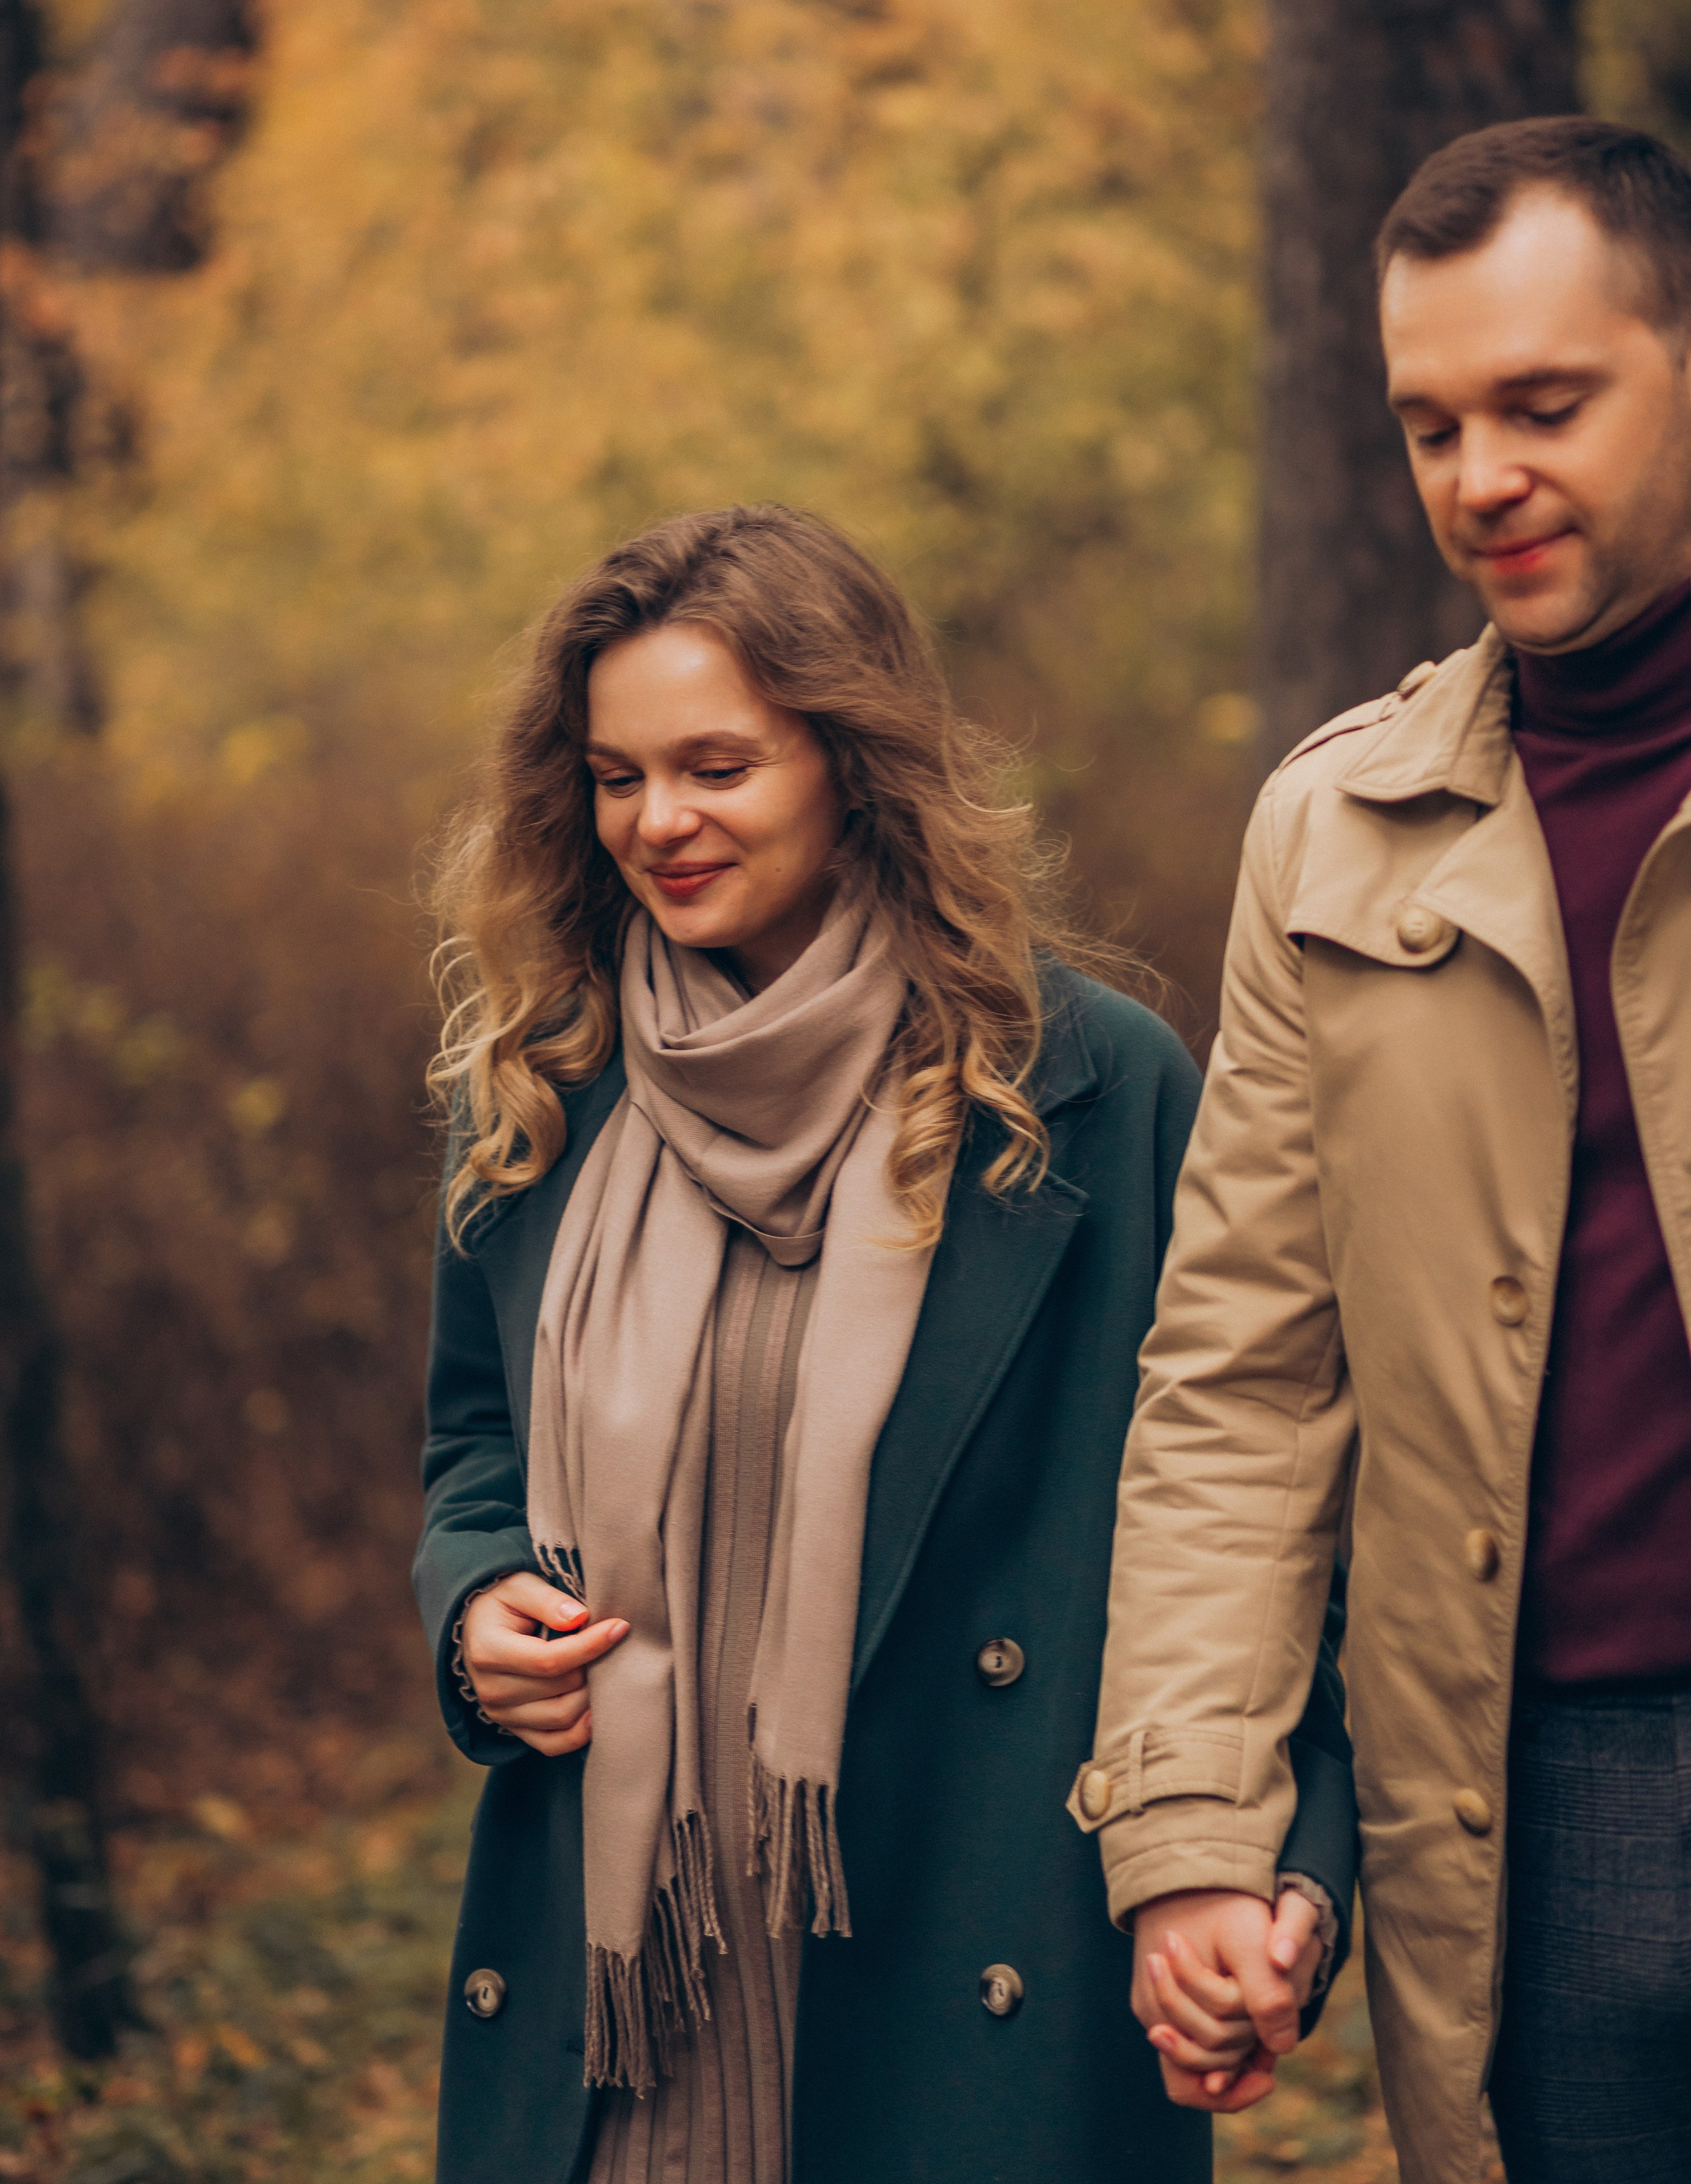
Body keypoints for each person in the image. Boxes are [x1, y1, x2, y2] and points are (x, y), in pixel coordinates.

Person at [413, 503, 1357, 2184]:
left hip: (962, 1959)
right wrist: (478, 1607)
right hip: (621, 2008)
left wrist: (1285, 1868)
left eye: (715, 763)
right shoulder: (541, 1090)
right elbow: (474, 1446)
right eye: (617, 775)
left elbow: (1261, 1493)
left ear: (850, 758)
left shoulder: (1076, 1088)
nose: (658, 821)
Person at [1089, 116, 1691, 2184]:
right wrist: (1191, 1833)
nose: (1481, 479)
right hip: (1542, 1809)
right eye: (1432, 423)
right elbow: (1243, 1382)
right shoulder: (1333, 834)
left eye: (1545, 404)